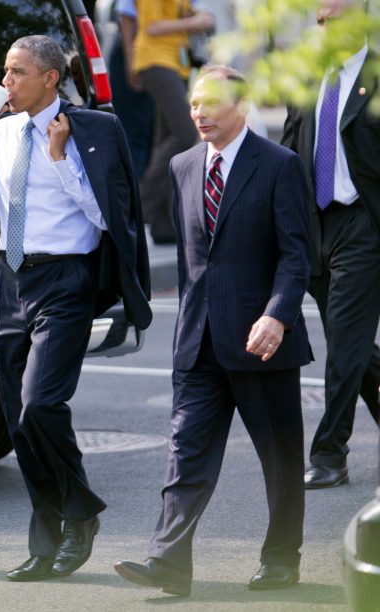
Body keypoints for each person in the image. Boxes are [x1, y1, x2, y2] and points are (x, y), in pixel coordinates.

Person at [0, 35, 151, 582]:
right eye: (5, 73)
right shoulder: (2, 132)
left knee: (39, 405)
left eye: (17, 73)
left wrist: (60, 160)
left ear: (50, 78)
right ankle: (49, 532)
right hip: (8, 281)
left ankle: (79, 516)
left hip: (65, 279)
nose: (5, 83)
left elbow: (110, 218)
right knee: (17, 420)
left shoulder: (93, 131)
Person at [115, 65, 312, 596]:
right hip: (198, 340)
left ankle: (281, 558)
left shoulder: (280, 166)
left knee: (280, 458)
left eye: (211, 104)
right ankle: (169, 562)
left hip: (261, 340)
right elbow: (190, 261)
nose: (198, 112)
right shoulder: (182, 165)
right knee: (186, 453)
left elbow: (298, 254)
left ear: (242, 107)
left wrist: (278, 313)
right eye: (194, 103)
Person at [281, 0, 380, 489]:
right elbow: (286, 152)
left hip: (364, 223)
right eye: (321, 21)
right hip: (313, 226)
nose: (326, 28)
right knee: (354, 344)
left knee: (344, 337)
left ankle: (329, 453)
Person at [132, 0, 215, 243]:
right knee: (185, 132)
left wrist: (196, 17)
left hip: (175, 64)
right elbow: (151, 27)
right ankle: (141, 203)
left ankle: (163, 224)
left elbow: (178, 17)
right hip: (155, 61)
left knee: (167, 139)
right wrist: (194, 21)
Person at [108, 0, 155, 179]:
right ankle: (136, 197)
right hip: (133, 51)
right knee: (134, 131)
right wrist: (131, 60)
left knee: (152, 133)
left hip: (162, 57)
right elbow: (126, 15)